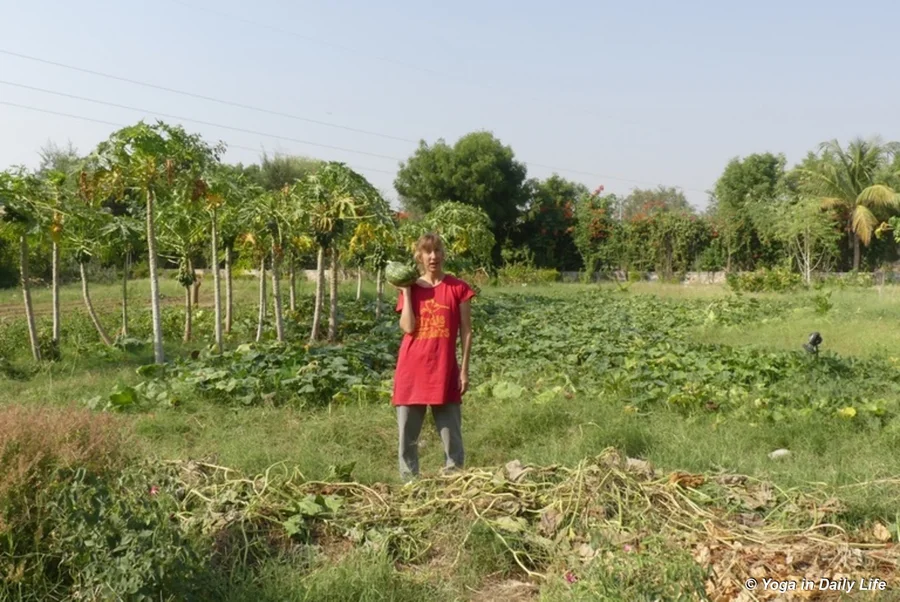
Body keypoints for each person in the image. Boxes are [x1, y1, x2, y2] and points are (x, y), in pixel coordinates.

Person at [391, 232, 476, 480]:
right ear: (419, 256)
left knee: (452, 436)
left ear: (443, 254)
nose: (433, 256)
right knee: (407, 435)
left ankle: (454, 481)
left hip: (445, 369)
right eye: (427, 251)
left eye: (437, 250)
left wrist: (464, 370)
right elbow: (407, 327)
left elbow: (466, 331)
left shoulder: (458, 288)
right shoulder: (412, 288)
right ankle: (410, 483)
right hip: (412, 369)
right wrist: (406, 292)